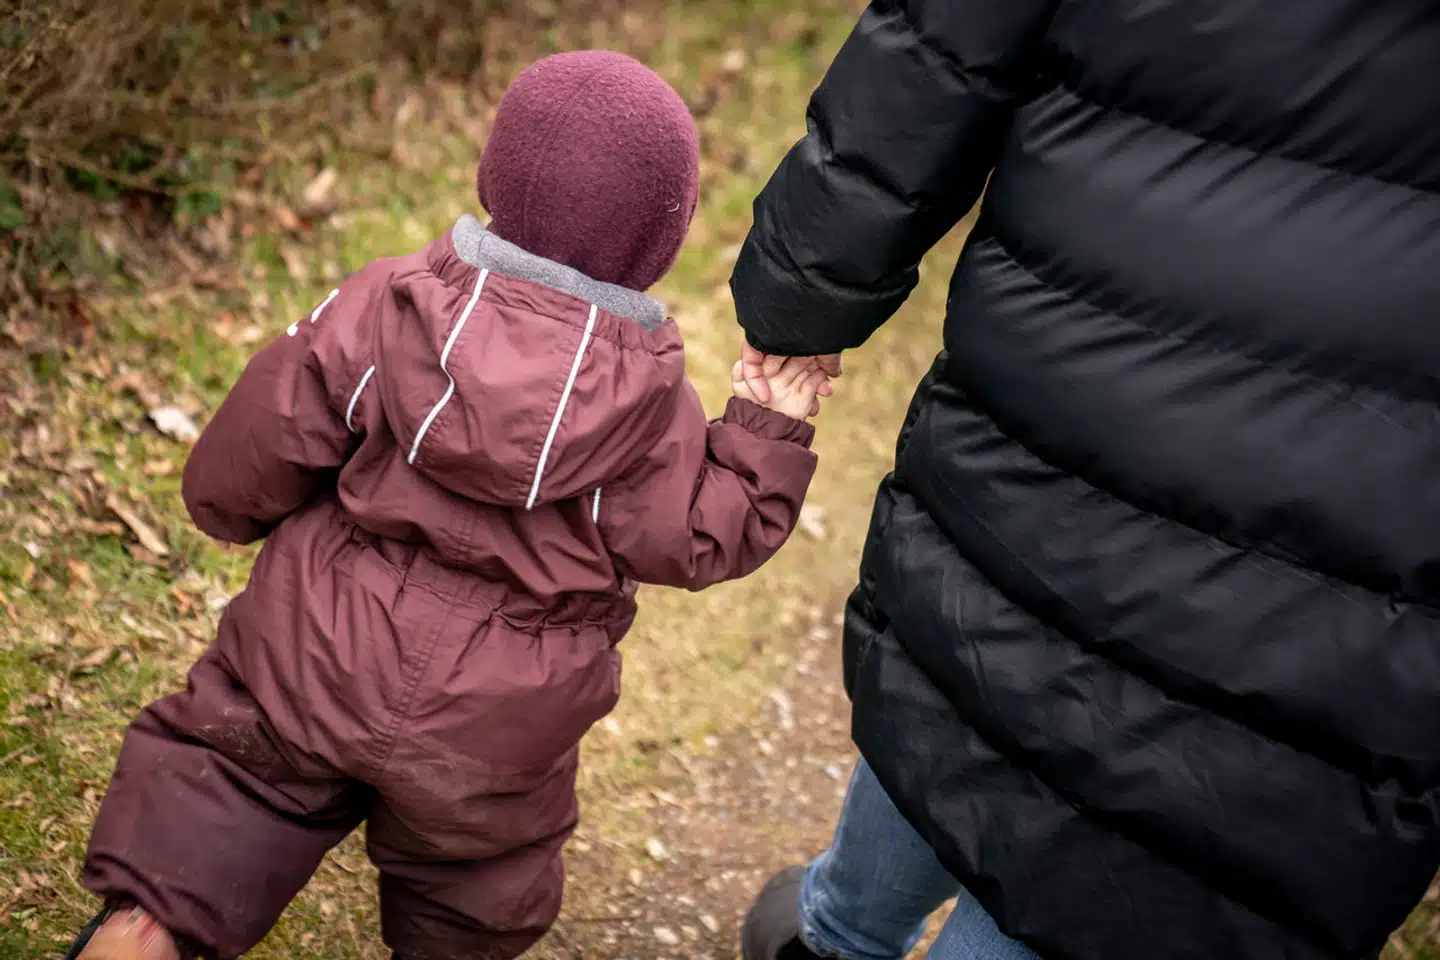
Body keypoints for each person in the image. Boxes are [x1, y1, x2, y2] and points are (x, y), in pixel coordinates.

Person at [66, 50, 832, 960]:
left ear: (494, 175)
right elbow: (706, 533)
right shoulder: (652, 411)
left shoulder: (388, 304)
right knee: (476, 886)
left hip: (314, 653)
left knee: (225, 798)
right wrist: (766, 427)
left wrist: (224, 507)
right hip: (497, 734)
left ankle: (144, 935)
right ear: (658, 241)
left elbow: (269, 432)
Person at [731, 0, 1440, 958]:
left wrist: (797, 305)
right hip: (1372, 485)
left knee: (976, 653)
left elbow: (938, 48)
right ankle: (838, 930)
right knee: (1156, 816)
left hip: (1073, 357)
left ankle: (834, 935)